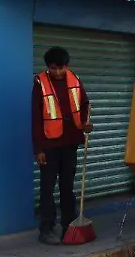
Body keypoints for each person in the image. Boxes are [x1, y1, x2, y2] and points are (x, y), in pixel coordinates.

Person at [32, 46, 93, 245]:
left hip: (70, 143)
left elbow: (85, 104)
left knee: (67, 186)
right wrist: (38, 149)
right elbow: (35, 118)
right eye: (53, 68)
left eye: (61, 68)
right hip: (49, 145)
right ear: (48, 67)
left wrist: (85, 123)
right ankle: (46, 228)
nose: (58, 72)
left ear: (67, 66)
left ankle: (69, 225)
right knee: (47, 188)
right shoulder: (40, 83)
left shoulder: (74, 79)